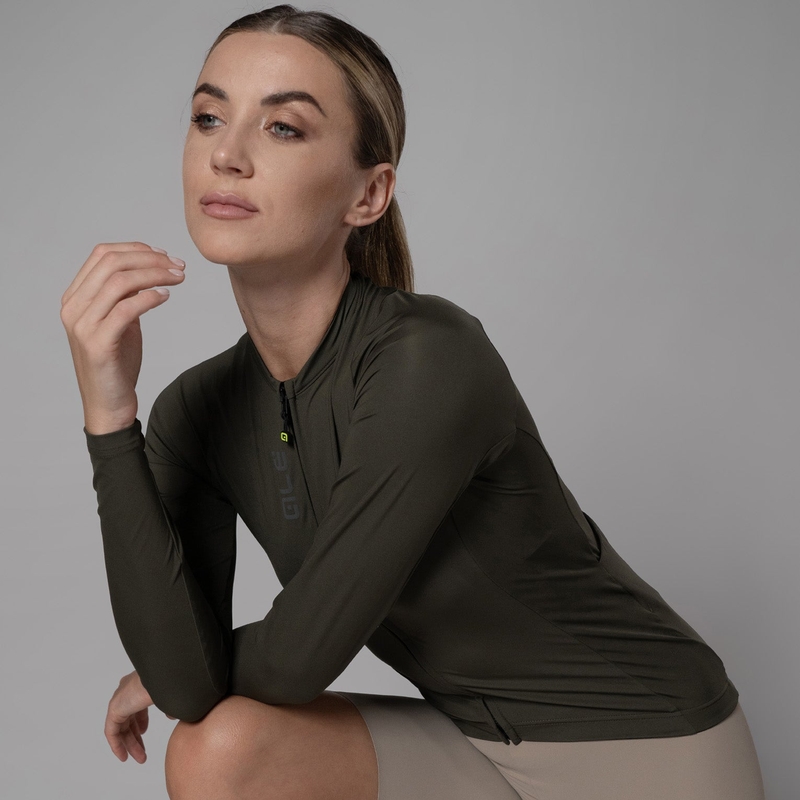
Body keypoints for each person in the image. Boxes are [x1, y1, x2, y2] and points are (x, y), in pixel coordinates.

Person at [60, 5, 766, 799]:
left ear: (370, 193)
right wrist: (109, 417)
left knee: (225, 722)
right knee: (216, 749)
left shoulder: (429, 357)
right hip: (472, 748)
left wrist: (187, 667)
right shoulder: (196, 411)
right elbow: (190, 691)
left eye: (283, 127)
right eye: (207, 117)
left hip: (645, 746)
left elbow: (294, 662)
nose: (226, 154)